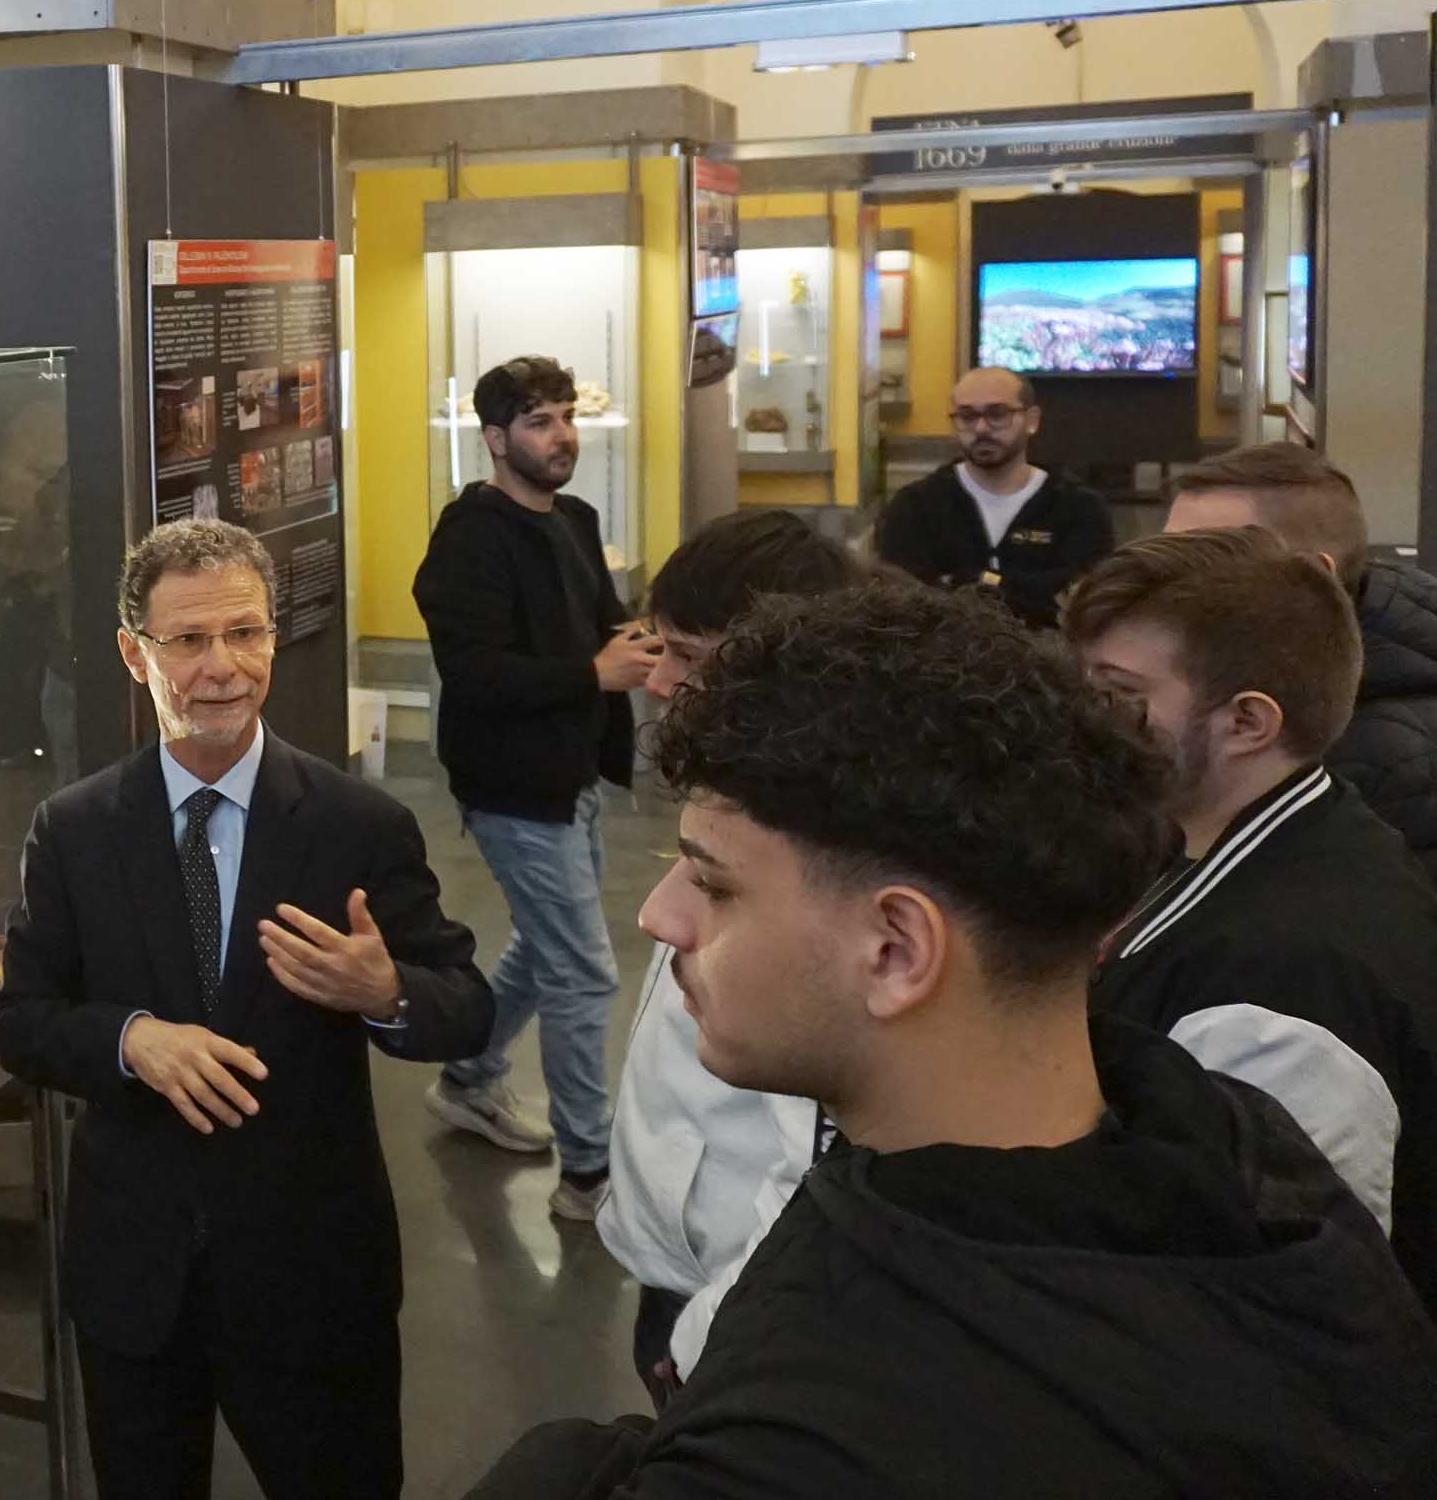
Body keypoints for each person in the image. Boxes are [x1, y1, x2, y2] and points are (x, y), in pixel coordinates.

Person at [466, 581, 1437, 1499]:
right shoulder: (1248, 1169)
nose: (659, 915)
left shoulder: (821, 1441)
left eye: (714, 882)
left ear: (897, 947)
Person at [0, 520, 492, 1499]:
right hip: (138, 1281)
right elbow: (22, 1019)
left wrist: (385, 992)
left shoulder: (360, 825)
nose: (222, 665)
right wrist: (134, 1039)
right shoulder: (75, 829)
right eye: (188, 640)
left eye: (245, 632)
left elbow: (465, 1004)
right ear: (135, 652)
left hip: (313, 1278)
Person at [1062, 528, 1437, 1317]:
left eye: (1120, 697)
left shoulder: (1287, 975)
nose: (1084, 723)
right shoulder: (1241, 846)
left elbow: (1273, 1300)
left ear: (1246, 724)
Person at [597, 511, 858, 1400]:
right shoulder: (738, 798)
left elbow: (818, 1152)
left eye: (688, 657)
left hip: (730, 1303)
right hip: (686, 1269)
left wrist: (712, 1328)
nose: (659, 681)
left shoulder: (812, 856)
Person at [414, 355, 650, 1221]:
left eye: (565, 417)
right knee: (584, 973)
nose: (562, 437)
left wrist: (645, 649)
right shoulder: (468, 540)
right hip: (512, 788)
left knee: (543, 947)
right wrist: (595, 670)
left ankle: (471, 1078)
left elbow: (603, 627)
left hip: (574, 774)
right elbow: (475, 676)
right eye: (541, 422)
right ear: (495, 438)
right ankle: (589, 1175)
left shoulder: (577, 519)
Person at [1165, 441, 1437, 885]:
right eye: (1167, 553)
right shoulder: (1276, 671)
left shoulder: (1377, 758)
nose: (1161, 585)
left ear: (1313, 575)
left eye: (1205, 559)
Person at [874, 366, 1113, 627]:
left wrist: (967, 581)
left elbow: (1085, 606)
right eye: (967, 416)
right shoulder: (916, 506)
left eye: (997, 414)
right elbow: (901, 607)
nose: (981, 428)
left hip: (1050, 661)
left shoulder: (1078, 508)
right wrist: (1030, 588)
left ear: (1032, 420)